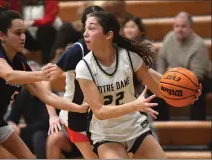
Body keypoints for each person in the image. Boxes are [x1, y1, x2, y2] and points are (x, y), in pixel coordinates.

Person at [0, 6, 88, 159]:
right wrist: (41, 74)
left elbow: (47, 96)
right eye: (17, 33)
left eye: (23, 32)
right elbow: (9, 75)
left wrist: (78, 108)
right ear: (2, 35)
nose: (23, 37)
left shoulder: (20, 64)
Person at [75, 11, 201, 159]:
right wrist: (134, 106)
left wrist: (188, 94)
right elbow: (100, 111)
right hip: (106, 135)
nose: (85, 34)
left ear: (108, 35)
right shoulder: (84, 67)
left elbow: (160, 90)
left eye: (91, 28)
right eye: (85, 29)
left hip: (134, 128)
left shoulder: (129, 57)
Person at [43, 5, 105, 159]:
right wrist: (52, 115)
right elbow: (45, 81)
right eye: (89, 26)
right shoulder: (78, 50)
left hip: (102, 114)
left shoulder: (112, 47)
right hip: (77, 118)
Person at [156, 12, 211, 120]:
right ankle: (162, 127)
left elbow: (198, 74)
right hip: (178, 78)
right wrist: (161, 79)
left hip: (202, 79)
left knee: (197, 91)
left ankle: (197, 128)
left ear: (190, 28)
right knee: (158, 89)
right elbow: (162, 58)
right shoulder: (169, 38)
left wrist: (177, 83)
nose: (179, 29)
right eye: (176, 26)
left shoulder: (199, 45)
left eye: (183, 26)